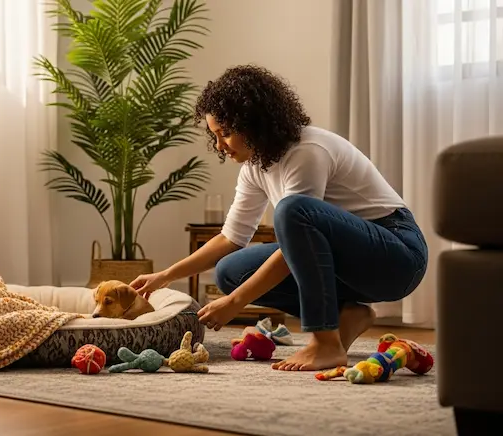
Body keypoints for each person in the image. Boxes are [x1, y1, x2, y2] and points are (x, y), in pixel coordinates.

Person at [129, 65, 428, 372]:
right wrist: (165, 275)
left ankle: (324, 342)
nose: (219, 146)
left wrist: (234, 303)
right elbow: (231, 239)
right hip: (350, 265)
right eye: (214, 136)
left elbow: (293, 244)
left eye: (226, 133)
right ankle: (346, 313)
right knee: (230, 271)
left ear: (253, 123)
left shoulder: (307, 150)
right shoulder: (254, 167)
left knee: (292, 210)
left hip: (397, 256)